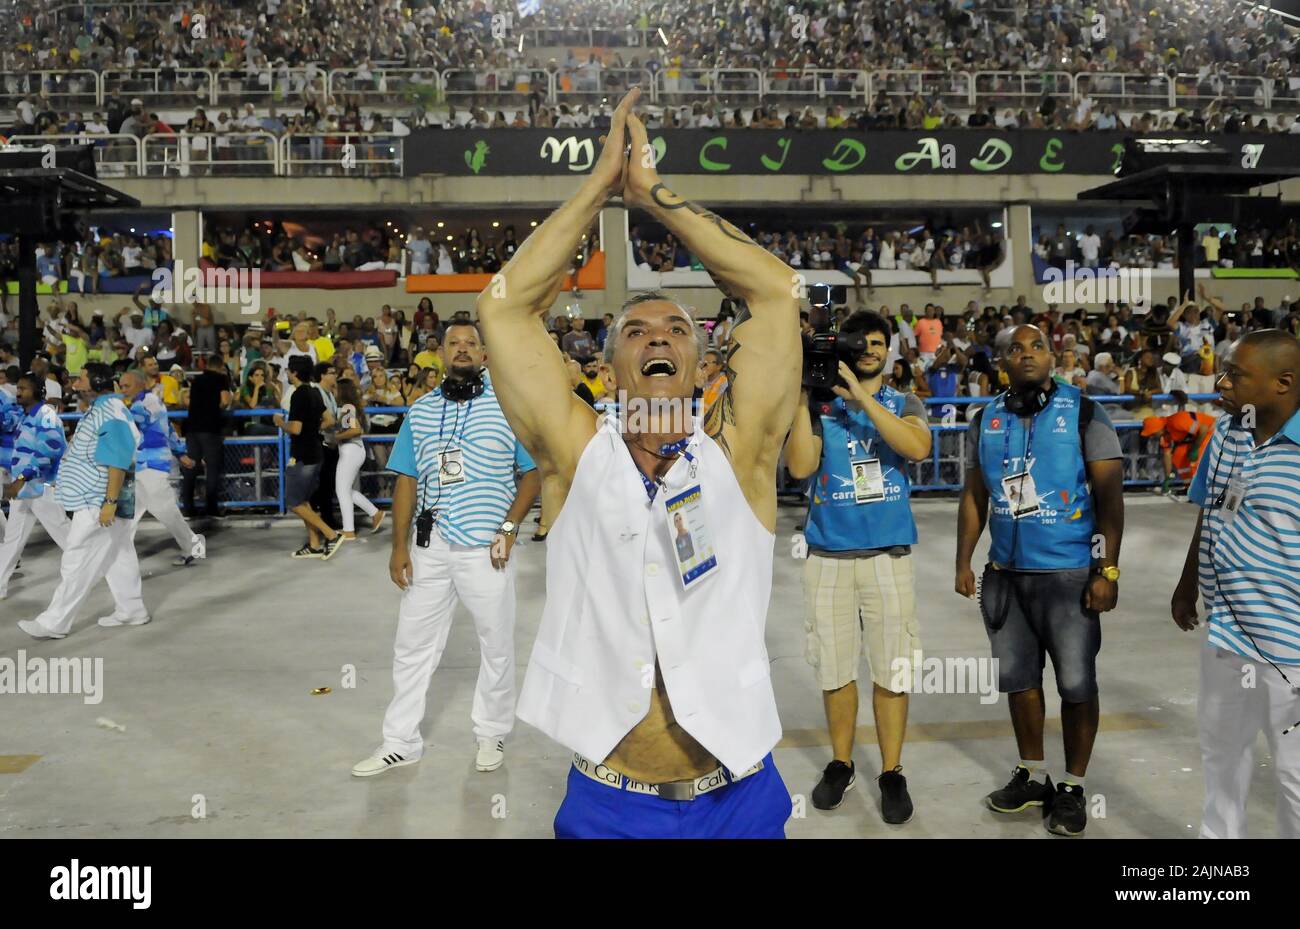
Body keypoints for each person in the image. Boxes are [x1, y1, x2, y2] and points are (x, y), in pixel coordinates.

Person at [482, 89, 798, 838]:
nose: (657, 335)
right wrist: (599, 186)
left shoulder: (740, 454)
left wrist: (651, 192)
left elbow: (778, 293)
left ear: (701, 359)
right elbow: (501, 307)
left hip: (740, 796)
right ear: (612, 364)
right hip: (608, 801)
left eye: (677, 327)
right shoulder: (573, 455)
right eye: (636, 329)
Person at [954, 325, 1125, 837]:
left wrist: (1107, 570)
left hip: (1069, 574)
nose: (1027, 355)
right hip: (1005, 575)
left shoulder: (1085, 412)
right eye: (1016, 349)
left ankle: (1072, 785)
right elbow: (974, 495)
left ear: (1054, 356)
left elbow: (1111, 503)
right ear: (1002, 360)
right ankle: (1032, 775)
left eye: (1037, 347)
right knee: (1020, 682)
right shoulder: (985, 418)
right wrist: (964, 560)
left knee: (1075, 683)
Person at [351, 321, 540, 778]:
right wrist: (399, 548)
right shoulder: (420, 411)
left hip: (485, 549)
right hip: (430, 546)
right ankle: (400, 741)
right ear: (440, 355)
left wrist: (511, 528)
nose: (461, 350)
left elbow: (532, 473)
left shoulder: (508, 408)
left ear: (484, 355)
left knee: (495, 644)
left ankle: (491, 732)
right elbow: (407, 480)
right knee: (412, 645)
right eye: (453, 343)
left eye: (470, 343)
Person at [783, 309, 931, 823]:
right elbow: (800, 466)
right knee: (834, 668)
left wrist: (861, 398)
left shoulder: (902, 400)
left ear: (889, 350)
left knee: (892, 667)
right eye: (859, 341)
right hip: (827, 556)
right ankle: (841, 763)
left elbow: (916, 445)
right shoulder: (819, 407)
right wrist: (805, 394)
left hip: (888, 555)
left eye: (877, 342)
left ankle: (891, 772)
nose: (868, 349)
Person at [1171, 329, 1300, 838]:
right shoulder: (1228, 433)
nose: (1220, 383)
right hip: (1227, 635)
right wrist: (1188, 584)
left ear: (1282, 383)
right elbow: (1212, 508)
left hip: (1290, 651)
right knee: (1223, 756)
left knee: (1293, 773)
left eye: (1236, 376)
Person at [18, 363, 149, 639]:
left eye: (83, 378)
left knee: (77, 559)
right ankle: (132, 610)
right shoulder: (104, 409)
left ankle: (55, 622)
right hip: (99, 497)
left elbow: (117, 461)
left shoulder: (109, 412)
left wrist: (109, 503)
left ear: (98, 381)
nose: (76, 383)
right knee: (118, 554)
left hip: (98, 500)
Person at [119, 368, 205, 567]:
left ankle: (194, 546)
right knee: (129, 514)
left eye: (126, 386)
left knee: (165, 510)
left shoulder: (147, 403)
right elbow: (169, 430)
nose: (123, 390)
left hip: (151, 465)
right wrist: (180, 452)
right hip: (141, 465)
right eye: (121, 386)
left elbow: (130, 425)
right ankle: (120, 556)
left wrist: (179, 452)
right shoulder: (143, 403)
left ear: (140, 384)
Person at [0, 373, 70, 598]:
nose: (19, 392)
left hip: (42, 486)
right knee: (12, 539)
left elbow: (50, 449)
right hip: (26, 488)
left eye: (24, 389)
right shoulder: (25, 415)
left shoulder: (46, 413)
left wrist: (21, 479)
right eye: (18, 388)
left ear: (38, 392)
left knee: (65, 534)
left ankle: (96, 569)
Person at [273, 355, 341, 559]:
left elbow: (295, 428)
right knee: (304, 501)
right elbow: (329, 420)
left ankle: (330, 534)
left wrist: (279, 423)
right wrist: (312, 428)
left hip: (303, 455)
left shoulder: (298, 394)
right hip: (316, 452)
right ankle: (313, 544)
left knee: (294, 502)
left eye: (288, 370)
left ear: (293, 372)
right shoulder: (314, 392)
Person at [180, 355, 231, 521]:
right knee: (213, 468)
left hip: (192, 427)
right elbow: (224, 401)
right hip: (210, 428)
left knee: (191, 467)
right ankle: (212, 508)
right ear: (220, 366)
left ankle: (188, 509)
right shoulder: (221, 379)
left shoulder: (196, 380)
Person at [332, 378, 384, 540]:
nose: (332, 391)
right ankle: (375, 513)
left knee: (342, 491)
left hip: (350, 451)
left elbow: (355, 430)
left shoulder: (346, 407)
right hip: (354, 451)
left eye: (335, 388)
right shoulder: (350, 406)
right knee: (345, 490)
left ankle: (349, 530)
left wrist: (335, 437)